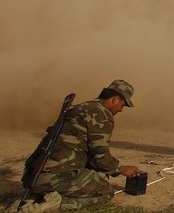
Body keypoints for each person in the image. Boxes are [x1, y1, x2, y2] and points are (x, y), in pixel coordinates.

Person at [19, 79, 143, 211]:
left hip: (32, 175)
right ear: (115, 99)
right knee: (105, 191)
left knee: (98, 176)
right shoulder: (101, 115)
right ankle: (56, 203)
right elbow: (100, 157)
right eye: (122, 105)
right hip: (53, 177)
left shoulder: (80, 108)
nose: (121, 110)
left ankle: (38, 193)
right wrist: (121, 169)